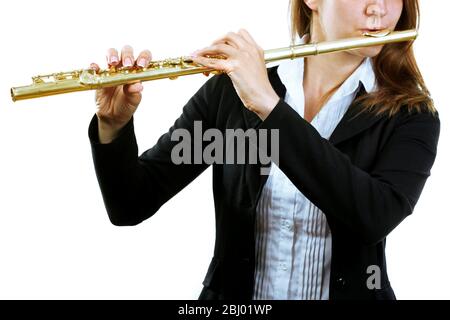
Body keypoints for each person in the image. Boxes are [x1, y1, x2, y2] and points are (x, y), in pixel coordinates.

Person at [88, 0, 440, 300]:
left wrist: (270, 107)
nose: (378, 9)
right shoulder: (231, 93)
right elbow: (130, 204)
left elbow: (373, 216)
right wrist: (114, 125)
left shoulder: (412, 115)